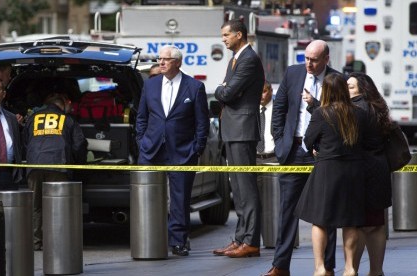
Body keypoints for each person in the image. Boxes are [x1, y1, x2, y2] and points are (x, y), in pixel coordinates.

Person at [265, 40, 338, 276]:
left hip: (323, 154)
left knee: (327, 212)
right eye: (306, 58)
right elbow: (279, 109)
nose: (309, 63)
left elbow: (338, 116)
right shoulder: (293, 73)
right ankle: (280, 265)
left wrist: (315, 105)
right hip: (294, 151)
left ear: (326, 59)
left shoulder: (336, 80)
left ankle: (327, 266)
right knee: (287, 211)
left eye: (314, 59)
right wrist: (279, 142)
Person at [136, 45, 209, 257]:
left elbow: (201, 122)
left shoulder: (194, 87)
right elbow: (141, 117)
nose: (161, 62)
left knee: (180, 199)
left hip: (183, 151)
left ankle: (178, 241)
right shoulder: (150, 85)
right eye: (160, 59)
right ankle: (149, 238)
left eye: (166, 59)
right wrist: (141, 141)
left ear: (177, 62)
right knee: (147, 196)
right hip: (151, 150)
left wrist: (197, 147)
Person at [295, 73, 368, 276]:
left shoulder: (321, 113)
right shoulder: (360, 113)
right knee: (351, 221)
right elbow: (366, 142)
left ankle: (320, 267)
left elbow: (308, 141)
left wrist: (318, 148)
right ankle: (350, 267)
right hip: (353, 172)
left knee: (320, 221)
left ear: (326, 91)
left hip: (327, 171)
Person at [212, 19, 265, 258]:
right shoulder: (236, 59)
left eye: (226, 35)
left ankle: (251, 241)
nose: (223, 39)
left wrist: (222, 90)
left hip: (242, 130)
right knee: (237, 187)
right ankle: (240, 238)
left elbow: (227, 92)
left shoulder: (248, 60)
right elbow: (227, 92)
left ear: (239, 35)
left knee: (246, 187)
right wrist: (225, 90)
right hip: (233, 129)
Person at [23, 93, 87, 251]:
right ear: (62, 104)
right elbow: (79, 145)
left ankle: (36, 242)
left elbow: (25, 141)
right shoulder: (67, 119)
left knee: (35, 205)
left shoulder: (33, 118)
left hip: (35, 165)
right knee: (58, 204)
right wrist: (79, 163)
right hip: (58, 164)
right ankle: (57, 242)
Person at [348, 72, 393, 276]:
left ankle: (352, 270)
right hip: (380, 170)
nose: (346, 90)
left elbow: (349, 142)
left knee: (358, 225)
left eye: (350, 87)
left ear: (361, 89)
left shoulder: (356, 109)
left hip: (362, 174)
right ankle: (376, 271)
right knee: (376, 224)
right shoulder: (379, 107)